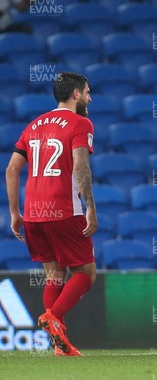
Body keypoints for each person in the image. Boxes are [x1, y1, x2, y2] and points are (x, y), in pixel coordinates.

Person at [5, 72, 97, 356]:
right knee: (85, 272)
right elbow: (81, 166)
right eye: (87, 92)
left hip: (33, 213)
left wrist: (14, 213)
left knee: (54, 274)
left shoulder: (33, 125)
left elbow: (11, 169)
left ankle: (61, 345)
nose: (90, 97)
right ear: (76, 95)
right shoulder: (81, 123)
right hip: (64, 210)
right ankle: (53, 317)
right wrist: (91, 206)